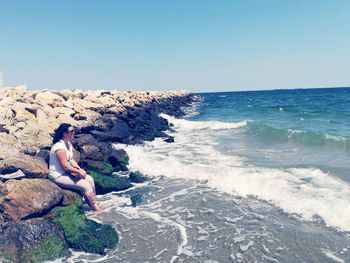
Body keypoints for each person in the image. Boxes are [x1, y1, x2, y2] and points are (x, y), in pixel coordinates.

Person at [49, 123, 101, 211]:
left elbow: (71, 160)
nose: (73, 133)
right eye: (71, 131)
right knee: (85, 186)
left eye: (74, 131)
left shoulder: (68, 144)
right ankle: (95, 209)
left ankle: (93, 202)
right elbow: (65, 166)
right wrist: (78, 172)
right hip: (58, 175)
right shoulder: (59, 148)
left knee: (90, 180)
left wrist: (79, 169)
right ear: (64, 134)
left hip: (66, 172)